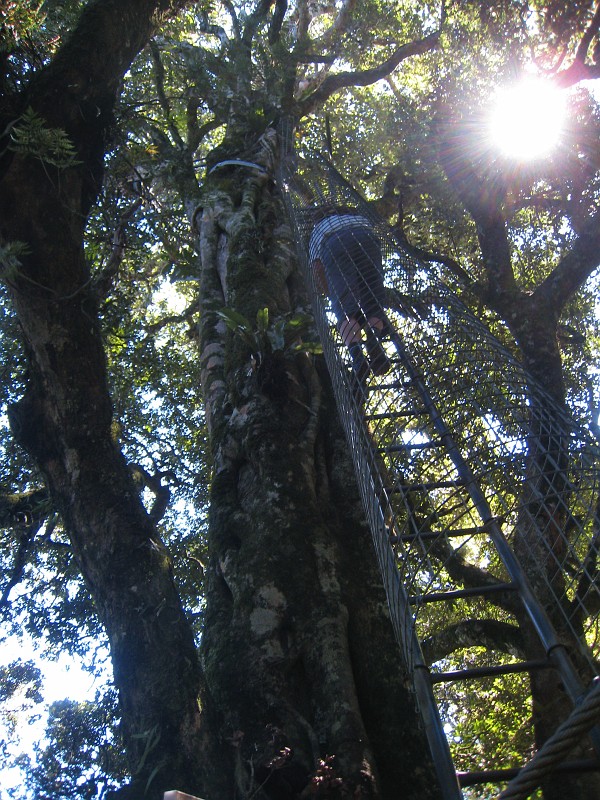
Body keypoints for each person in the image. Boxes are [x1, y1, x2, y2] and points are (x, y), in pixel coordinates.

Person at [308, 204, 391, 384]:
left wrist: (332, 293)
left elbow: (316, 268)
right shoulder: (357, 218)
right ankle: (374, 339)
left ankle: (357, 356)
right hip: (367, 237)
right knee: (373, 301)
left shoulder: (318, 230)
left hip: (334, 243)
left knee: (345, 310)